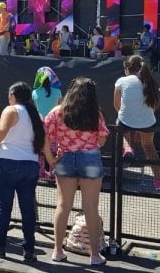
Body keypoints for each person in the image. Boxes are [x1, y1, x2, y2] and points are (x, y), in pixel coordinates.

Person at [45, 77, 109, 266]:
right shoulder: (94, 113)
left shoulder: (58, 111)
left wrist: (49, 158)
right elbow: (103, 140)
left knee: (63, 205)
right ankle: (95, 255)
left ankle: (57, 251)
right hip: (89, 158)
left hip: (65, 157)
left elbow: (45, 136)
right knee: (90, 208)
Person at [0, 82, 50, 262]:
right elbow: (43, 139)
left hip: (8, 161)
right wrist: (51, 160)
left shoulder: (11, 110)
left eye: (9, 95)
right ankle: (29, 249)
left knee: (4, 207)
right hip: (30, 164)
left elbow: (2, 129)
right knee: (28, 209)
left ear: (13, 95)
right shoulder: (35, 114)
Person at [114, 55, 160, 189]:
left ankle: (127, 147)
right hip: (148, 122)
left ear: (127, 69)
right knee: (149, 147)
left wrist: (132, 123)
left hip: (126, 121)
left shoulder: (121, 81)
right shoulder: (151, 82)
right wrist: (141, 123)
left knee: (118, 120)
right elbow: (154, 107)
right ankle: (159, 181)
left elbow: (116, 105)